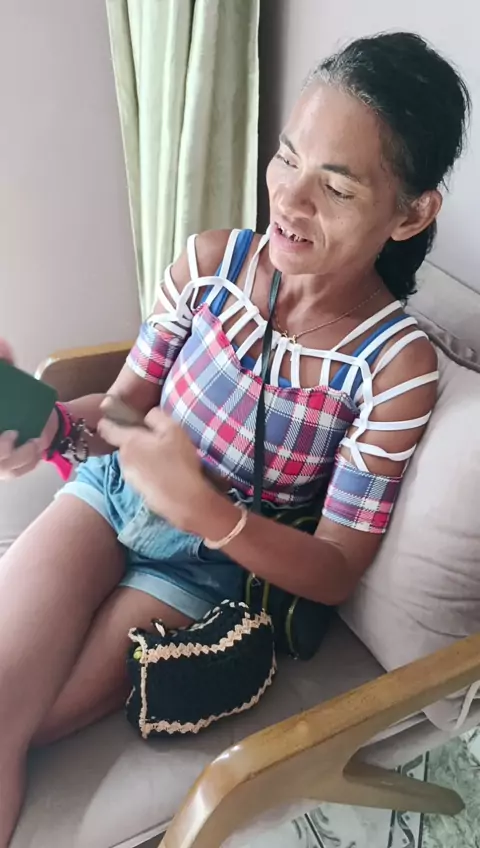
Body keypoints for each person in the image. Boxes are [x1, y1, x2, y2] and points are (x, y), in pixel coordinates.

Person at [0, 31, 470, 845]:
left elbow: (333, 570)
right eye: (287, 158)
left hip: (206, 571)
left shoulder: (394, 368)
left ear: (411, 212)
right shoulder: (210, 265)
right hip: (110, 498)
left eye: (336, 186)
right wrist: (53, 422)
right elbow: (122, 412)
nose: (289, 199)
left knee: (23, 718)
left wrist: (207, 514)